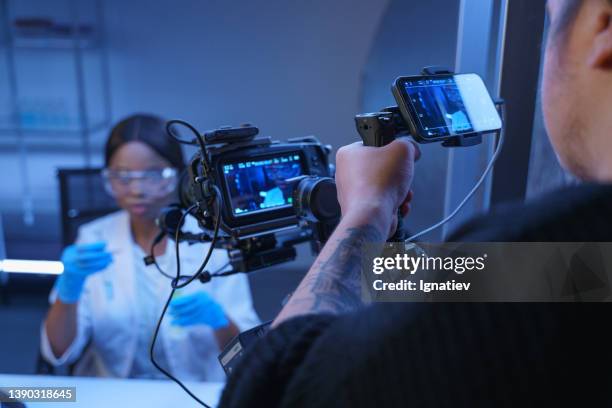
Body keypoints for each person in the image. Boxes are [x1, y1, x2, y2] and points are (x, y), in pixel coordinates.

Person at [219, 0, 612, 406]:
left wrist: (367, 209)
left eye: (549, 21)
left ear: (602, 25)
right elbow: (457, 282)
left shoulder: (548, 239)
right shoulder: (585, 260)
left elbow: (271, 392)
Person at [41, 114, 260, 380]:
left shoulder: (213, 238)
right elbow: (59, 350)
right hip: (116, 395)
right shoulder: (93, 237)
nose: (137, 189)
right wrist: (69, 291)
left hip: (196, 394)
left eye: (154, 174)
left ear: (179, 175)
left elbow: (251, 356)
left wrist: (220, 321)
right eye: (122, 175)